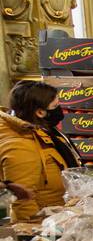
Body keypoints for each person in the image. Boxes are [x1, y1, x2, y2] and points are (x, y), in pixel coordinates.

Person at [0, 80, 80, 220]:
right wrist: (35, 233)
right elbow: (24, 202)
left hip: (58, 216)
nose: (59, 109)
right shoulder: (21, 146)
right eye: (55, 106)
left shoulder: (41, 131)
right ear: (40, 112)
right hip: (46, 224)